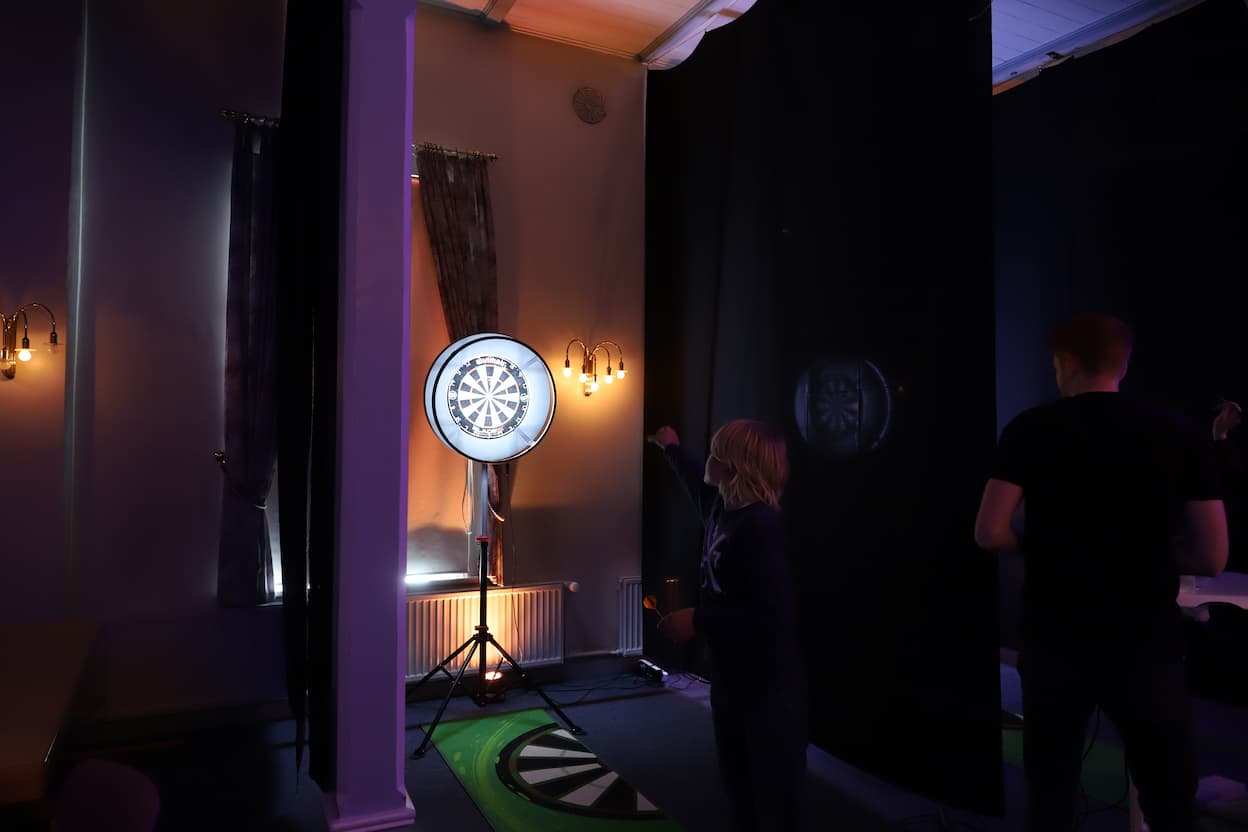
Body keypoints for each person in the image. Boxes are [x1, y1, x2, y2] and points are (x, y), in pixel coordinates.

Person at [974, 314, 1229, 832]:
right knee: (1170, 799)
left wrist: (1047, 547)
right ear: (1124, 365)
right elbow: (1212, 557)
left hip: (1055, 635)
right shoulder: (1176, 432)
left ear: (1064, 363)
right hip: (1145, 640)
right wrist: (1149, 554)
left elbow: (989, 532)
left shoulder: (1030, 429)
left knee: (1051, 796)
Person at [647, 419, 808, 832]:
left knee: (774, 797)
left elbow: (773, 617)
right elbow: (694, 482)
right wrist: (671, 447)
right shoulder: (723, 509)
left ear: (732, 466)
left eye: (716, 452)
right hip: (733, 679)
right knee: (739, 786)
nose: (709, 458)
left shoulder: (759, 528)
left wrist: (697, 619)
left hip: (768, 690)